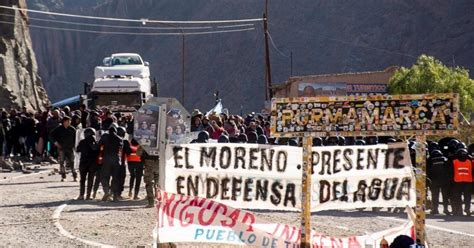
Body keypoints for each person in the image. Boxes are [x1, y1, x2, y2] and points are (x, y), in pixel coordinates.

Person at [97, 125, 123, 201]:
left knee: (105, 176)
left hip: (106, 159)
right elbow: (121, 149)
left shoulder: (105, 137)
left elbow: (98, 146)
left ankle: (106, 191)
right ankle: (114, 195)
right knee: (115, 178)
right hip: (116, 159)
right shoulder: (119, 138)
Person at [51, 116, 77, 181]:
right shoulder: (58, 129)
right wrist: (56, 143)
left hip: (70, 148)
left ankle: (75, 176)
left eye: (70, 121)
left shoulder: (72, 129)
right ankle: (63, 176)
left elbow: (76, 138)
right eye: (68, 121)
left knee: (72, 162)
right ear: (64, 122)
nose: (69, 122)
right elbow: (51, 135)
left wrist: (75, 146)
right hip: (61, 148)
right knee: (62, 162)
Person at [76, 128, 98, 200]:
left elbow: (77, 149)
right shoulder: (95, 142)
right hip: (92, 164)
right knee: (90, 180)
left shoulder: (82, 142)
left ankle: (81, 195)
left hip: (83, 163)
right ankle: (88, 195)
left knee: (82, 180)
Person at [427, 149, 451, 215]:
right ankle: (446, 210)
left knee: (435, 196)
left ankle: (435, 210)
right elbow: (449, 169)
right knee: (445, 196)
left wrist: (429, 179)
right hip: (444, 180)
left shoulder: (430, 159)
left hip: (434, 181)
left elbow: (427, 170)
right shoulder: (445, 159)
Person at [450, 148, 473, 216]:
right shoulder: (470, 161)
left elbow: (452, 172)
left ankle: (459, 210)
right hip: (468, 181)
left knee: (458, 197)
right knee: (467, 197)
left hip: (457, 181)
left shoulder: (454, 161)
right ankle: (467, 210)